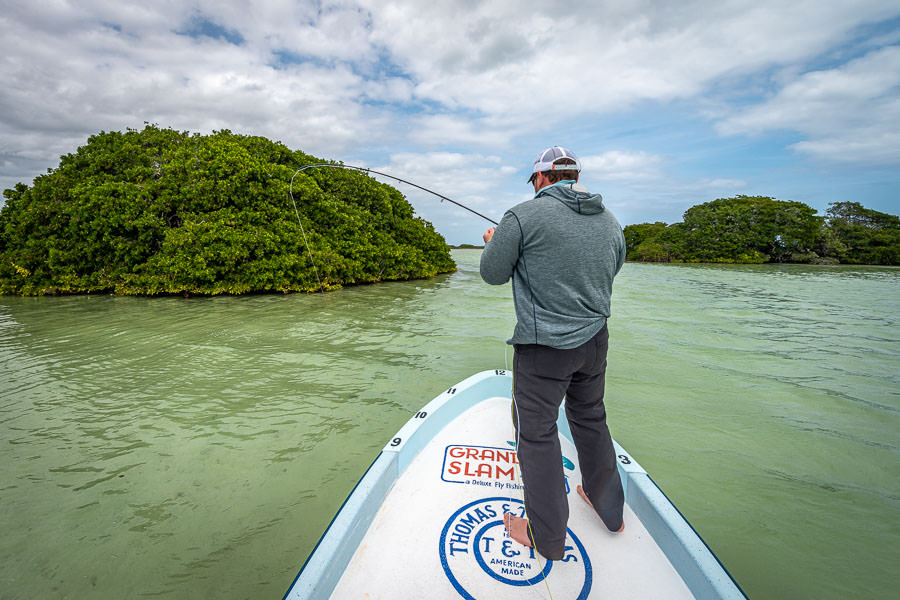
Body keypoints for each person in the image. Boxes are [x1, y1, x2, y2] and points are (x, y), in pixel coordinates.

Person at [479, 146, 627, 561]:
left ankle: (546, 538)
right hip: (595, 341)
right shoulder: (611, 221)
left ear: (542, 178)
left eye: (533, 181)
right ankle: (609, 510)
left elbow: (492, 274)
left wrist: (494, 242)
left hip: (545, 349)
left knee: (538, 435)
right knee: (591, 417)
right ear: (574, 176)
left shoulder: (521, 216)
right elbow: (612, 268)